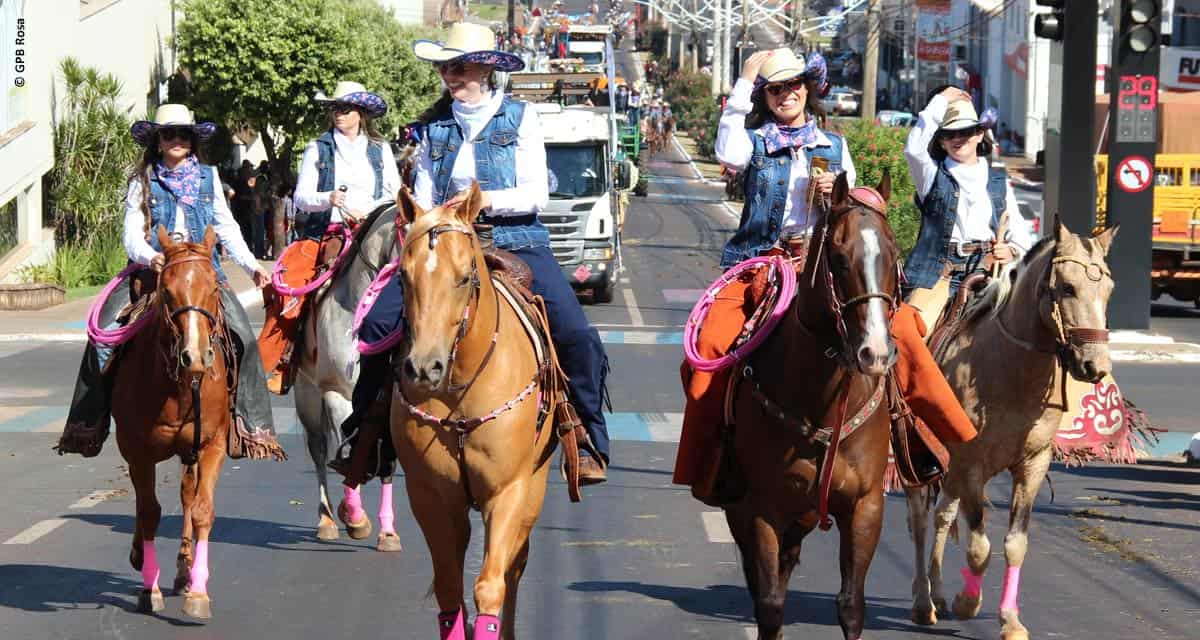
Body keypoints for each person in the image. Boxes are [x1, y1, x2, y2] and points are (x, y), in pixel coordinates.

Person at [673, 49, 979, 504]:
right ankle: (714, 458)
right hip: (762, 262)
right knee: (710, 346)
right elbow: (727, 151)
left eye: (794, 85)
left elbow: (856, 211)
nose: (787, 94)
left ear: (809, 88)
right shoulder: (754, 140)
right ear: (766, 95)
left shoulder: (834, 145)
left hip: (825, 263)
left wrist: (836, 195)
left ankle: (924, 442)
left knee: (901, 333)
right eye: (775, 88)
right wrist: (745, 78)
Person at [329, 21, 611, 486]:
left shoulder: (522, 118)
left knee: (576, 333)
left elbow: (536, 193)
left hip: (515, 239)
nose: (450, 76)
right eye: (445, 68)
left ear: (486, 68)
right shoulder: (433, 127)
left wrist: (484, 202)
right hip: (443, 244)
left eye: (459, 67)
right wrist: (433, 218)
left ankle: (585, 436)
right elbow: (421, 196)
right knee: (380, 324)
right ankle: (366, 435)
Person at [56, 104, 279, 457]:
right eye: (168, 134)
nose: (176, 140)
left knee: (244, 339)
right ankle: (88, 422)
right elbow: (131, 233)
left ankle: (248, 427)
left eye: (183, 134)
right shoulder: (141, 180)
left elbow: (226, 227)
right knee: (100, 335)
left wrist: (252, 265)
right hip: (153, 272)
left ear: (192, 141)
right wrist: (149, 256)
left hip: (203, 272)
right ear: (157, 142)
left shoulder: (209, 178)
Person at [258, 80, 401, 393]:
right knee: (293, 287)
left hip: (375, 227)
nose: (338, 114)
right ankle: (286, 357)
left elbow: (395, 191)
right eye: (334, 108)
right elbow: (302, 196)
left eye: (345, 108)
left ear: (361, 113)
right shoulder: (317, 148)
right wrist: (328, 198)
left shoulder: (381, 149)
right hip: (330, 231)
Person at [902, 85, 1035, 330]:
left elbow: (1020, 232)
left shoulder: (998, 181)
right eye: (949, 134)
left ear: (979, 134)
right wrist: (940, 100)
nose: (957, 139)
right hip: (939, 275)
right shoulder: (931, 175)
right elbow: (914, 150)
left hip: (990, 272)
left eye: (965, 131)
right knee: (907, 332)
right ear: (940, 142)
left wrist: (1012, 252)